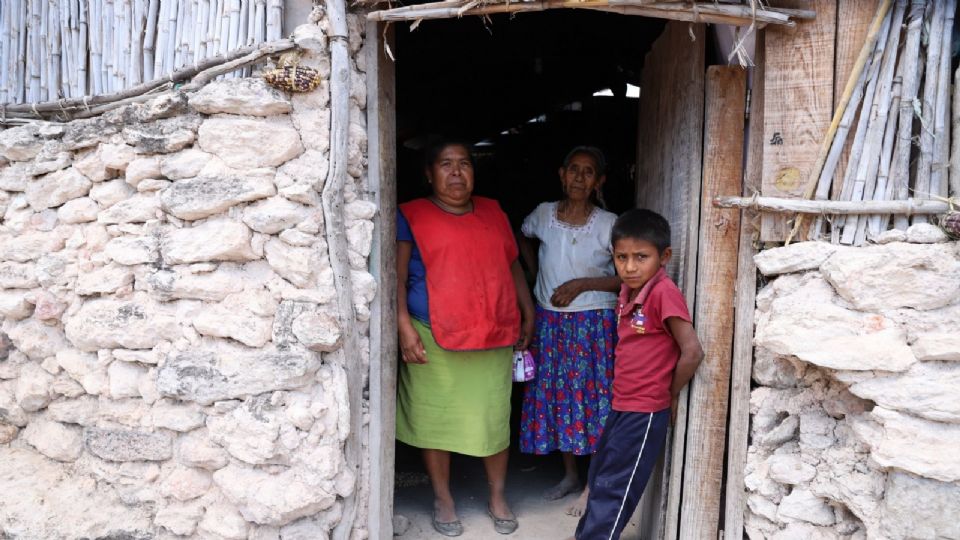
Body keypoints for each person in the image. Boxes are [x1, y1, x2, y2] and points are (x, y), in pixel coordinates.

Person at [395, 139, 536, 537]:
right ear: (429, 173)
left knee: (491, 418)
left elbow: (510, 266)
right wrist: (404, 327)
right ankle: (443, 498)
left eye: (464, 164)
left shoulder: (493, 211)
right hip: (432, 334)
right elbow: (397, 277)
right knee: (433, 419)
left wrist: (528, 311)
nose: (456, 172)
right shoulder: (411, 215)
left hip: (492, 331)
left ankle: (497, 496)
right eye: (445, 164)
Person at [573, 208, 704, 540]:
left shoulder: (662, 291)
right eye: (621, 257)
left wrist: (669, 394)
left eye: (641, 257)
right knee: (601, 474)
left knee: (617, 488)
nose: (630, 267)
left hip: (645, 409)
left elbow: (692, 351)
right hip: (623, 403)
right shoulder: (629, 290)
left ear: (664, 257)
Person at [517, 147, 620, 512]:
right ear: (561, 174)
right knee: (560, 400)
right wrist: (533, 275)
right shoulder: (543, 215)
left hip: (592, 324)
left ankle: (594, 483)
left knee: (593, 400)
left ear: (599, 181)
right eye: (573, 170)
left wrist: (582, 284)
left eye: (588, 171)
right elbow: (520, 237)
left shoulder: (610, 224)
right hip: (550, 322)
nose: (579, 177)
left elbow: (627, 279)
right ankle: (570, 475)